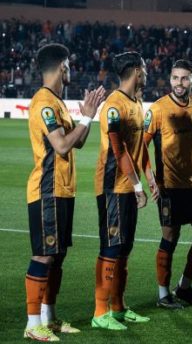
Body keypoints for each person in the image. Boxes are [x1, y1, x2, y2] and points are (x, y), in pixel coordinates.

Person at [24, 43, 105, 341]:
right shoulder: (44, 103)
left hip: (62, 190)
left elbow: (77, 141)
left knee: (56, 256)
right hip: (47, 190)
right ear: (62, 67)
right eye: (69, 64)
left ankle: (50, 318)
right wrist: (85, 117)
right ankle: (33, 324)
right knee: (44, 256)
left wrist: (87, 114)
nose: (71, 69)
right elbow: (60, 145)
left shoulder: (57, 102)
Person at [92, 52, 156, 329]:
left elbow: (139, 148)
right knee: (112, 246)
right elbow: (119, 151)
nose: (147, 71)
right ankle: (99, 313)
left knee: (125, 247)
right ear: (136, 71)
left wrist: (150, 177)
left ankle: (118, 307)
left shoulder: (137, 102)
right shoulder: (113, 105)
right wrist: (138, 186)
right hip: (113, 187)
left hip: (128, 186)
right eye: (144, 67)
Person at [146, 59, 192, 309]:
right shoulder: (158, 109)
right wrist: (152, 180)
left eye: (184, 78)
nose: (179, 83)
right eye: (175, 78)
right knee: (171, 238)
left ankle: (184, 287)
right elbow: (140, 147)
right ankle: (164, 295)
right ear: (170, 79)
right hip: (170, 186)